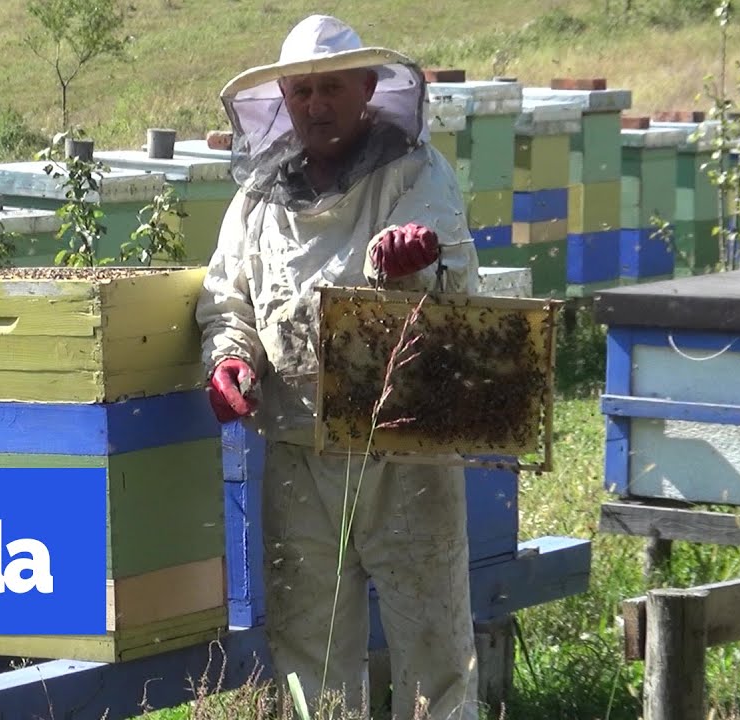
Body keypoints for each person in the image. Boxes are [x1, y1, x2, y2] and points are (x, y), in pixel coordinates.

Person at [196, 14, 482, 720]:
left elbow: (455, 284)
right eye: (301, 92)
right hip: (299, 446)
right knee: (310, 655)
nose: (315, 105)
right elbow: (227, 300)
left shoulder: (415, 173)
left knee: (435, 650)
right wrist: (231, 358)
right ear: (283, 100)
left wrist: (417, 263)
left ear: (365, 88)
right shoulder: (258, 198)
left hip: (405, 443)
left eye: (330, 88)